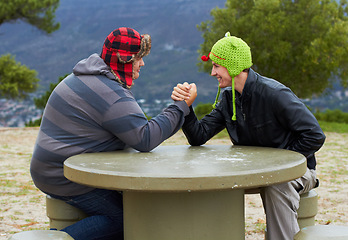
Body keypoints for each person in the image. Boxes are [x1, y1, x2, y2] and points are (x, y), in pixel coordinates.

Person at [30, 27, 194, 240]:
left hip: (52, 167)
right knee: (129, 219)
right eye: (139, 58)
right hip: (62, 176)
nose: (142, 64)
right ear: (125, 61)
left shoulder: (89, 75)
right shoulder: (110, 93)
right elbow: (145, 138)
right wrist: (181, 106)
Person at [171, 32, 326, 240]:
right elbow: (199, 136)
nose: (212, 72)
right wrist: (186, 107)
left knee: (277, 183)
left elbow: (315, 135)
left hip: (298, 172)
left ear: (233, 66)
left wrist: (283, 165)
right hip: (256, 172)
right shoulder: (228, 99)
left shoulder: (275, 94)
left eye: (216, 66)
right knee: (214, 181)